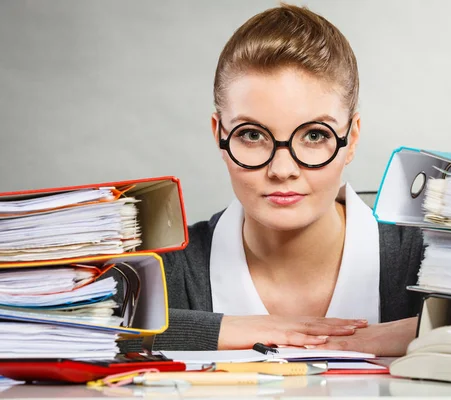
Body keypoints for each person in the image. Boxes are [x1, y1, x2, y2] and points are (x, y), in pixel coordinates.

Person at [122, 4, 423, 357]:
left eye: (314, 135)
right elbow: (75, 328)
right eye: (252, 135)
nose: (282, 169)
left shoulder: (423, 258)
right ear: (220, 134)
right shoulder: (166, 270)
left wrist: (424, 331)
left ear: (351, 139)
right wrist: (235, 328)